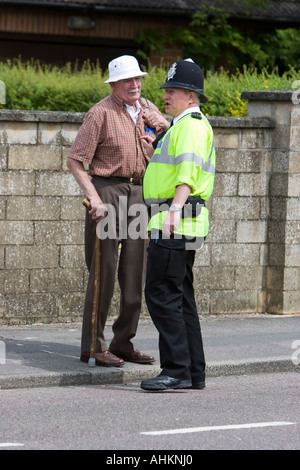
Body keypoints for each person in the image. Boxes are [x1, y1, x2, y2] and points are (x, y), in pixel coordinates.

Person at [67, 55, 169, 367]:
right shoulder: (99, 113)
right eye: (127, 80)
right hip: (108, 190)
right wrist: (94, 198)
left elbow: (170, 134)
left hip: (140, 191)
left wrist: (159, 130)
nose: (135, 85)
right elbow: (74, 160)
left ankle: (123, 343)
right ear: (113, 84)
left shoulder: (148, 107)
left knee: (136, 273)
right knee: (104, 271)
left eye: (138, 79)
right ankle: (94, 347)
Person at [140, 59, 216, 390]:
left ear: (190, 95)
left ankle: (175, 370)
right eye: (167, 91)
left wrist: (173, 211)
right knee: (180, 297)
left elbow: (187, 172)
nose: (166, 96)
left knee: (161, 294)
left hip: (175, 222)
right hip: (184, 222)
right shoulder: (186, 125)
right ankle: (191, 372)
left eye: (171, 91)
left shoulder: (190, 126)